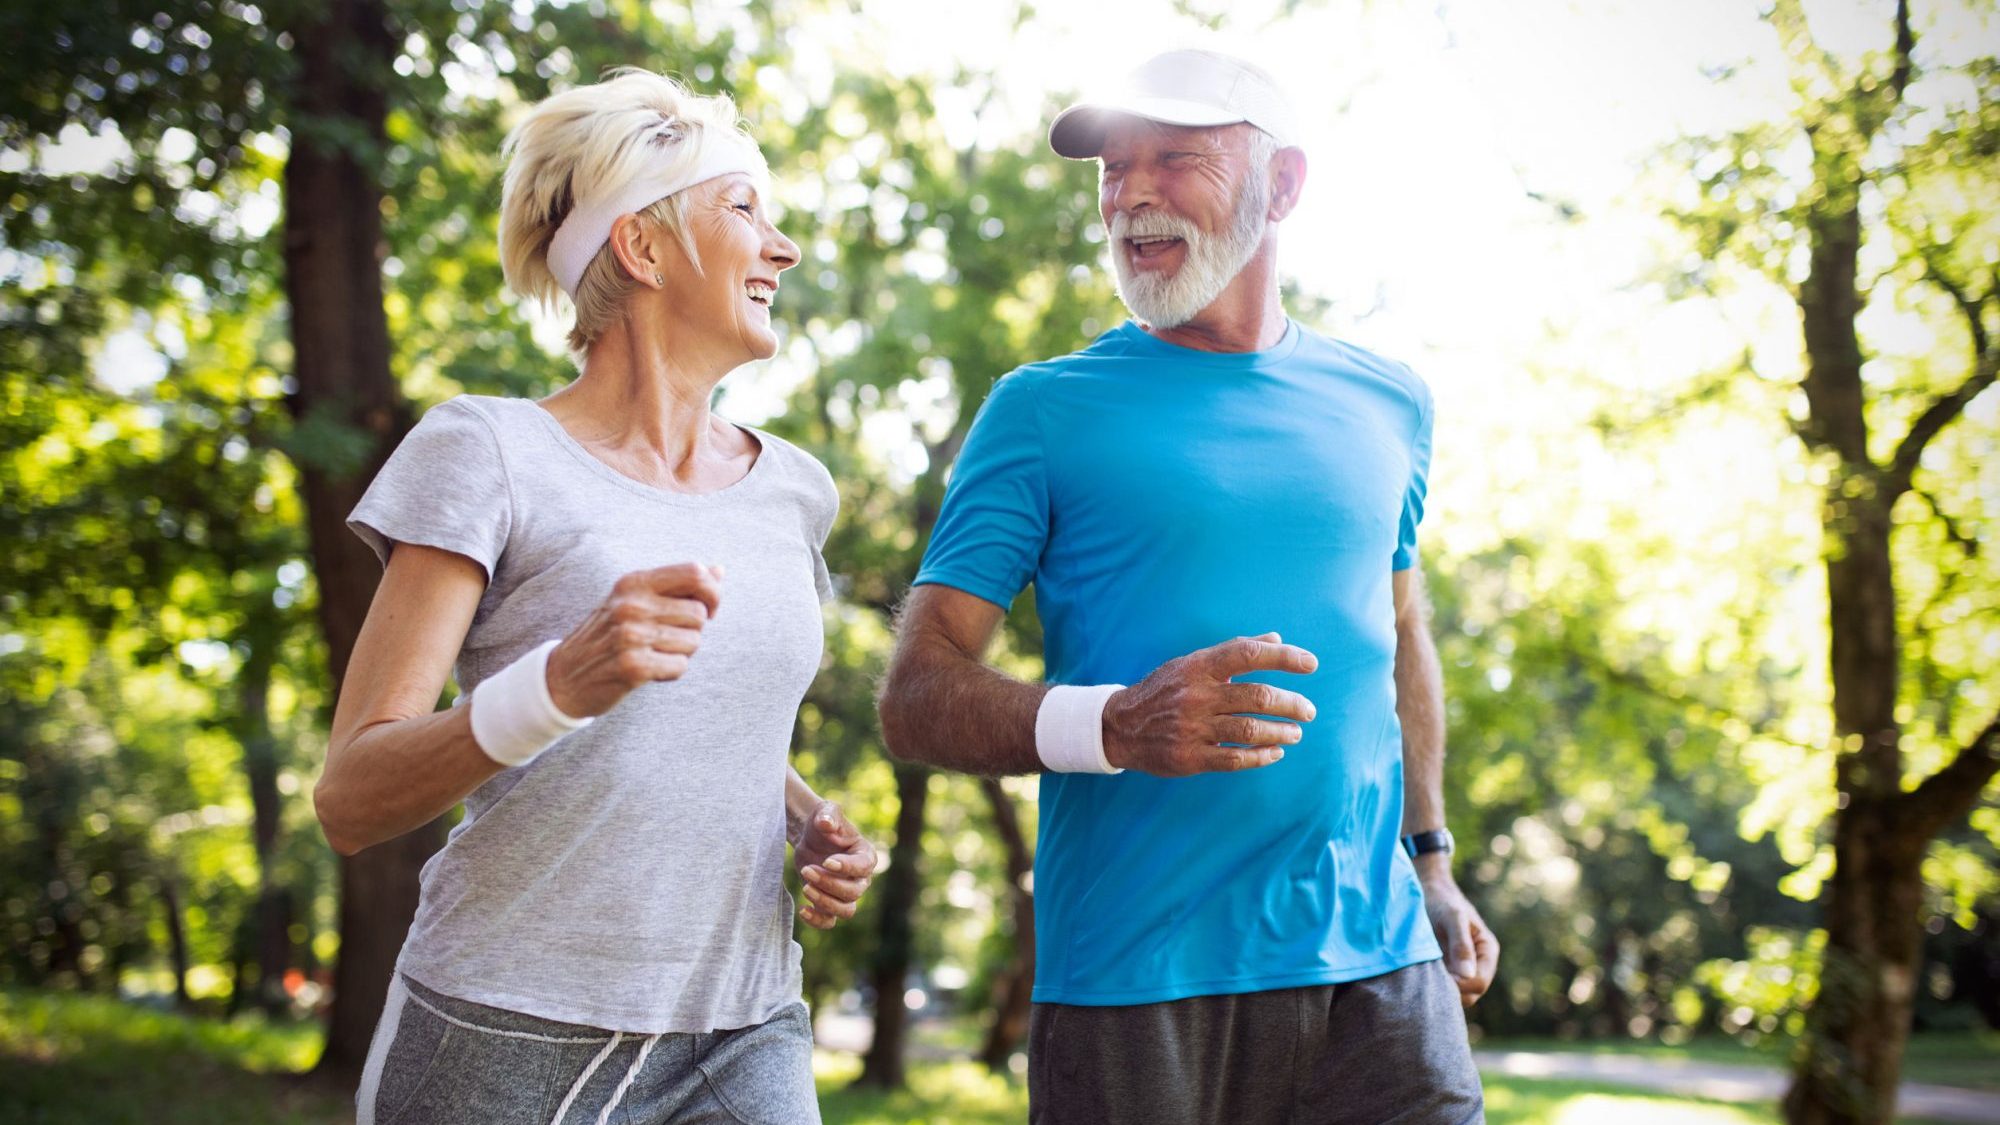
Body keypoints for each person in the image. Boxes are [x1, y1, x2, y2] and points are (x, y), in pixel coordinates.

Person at [877, 48, 1497, 1124]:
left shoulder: (1388, 402)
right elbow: (914, 696)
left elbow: (1397, 638)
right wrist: (1114, 724)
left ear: (1284, 184)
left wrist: (1430, 862)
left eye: (1173, 158)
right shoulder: (1040, 412)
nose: (1131, 195)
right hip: (1136, 976)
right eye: (1112, 170)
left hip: (1377, 961)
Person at [314, 70, 876, 1125]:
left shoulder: (796, 487)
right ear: (643, 247)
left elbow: (695, 723)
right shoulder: (486, 451)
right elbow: (350, 799)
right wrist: (557, 685)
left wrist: (803, 820)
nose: (784, 248)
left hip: (745, 1022)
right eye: (745, 208)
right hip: (504, 1029)